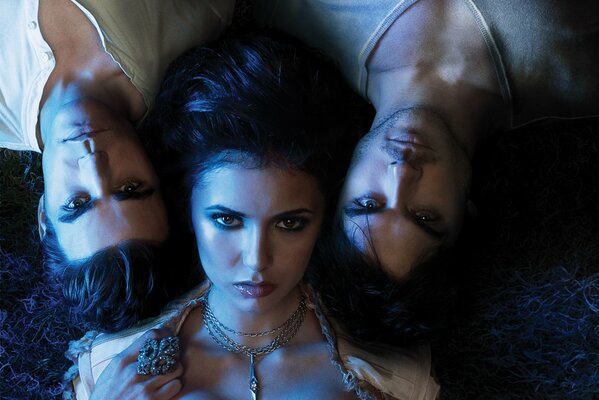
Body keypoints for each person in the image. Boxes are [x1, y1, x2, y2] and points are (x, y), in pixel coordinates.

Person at [64, 35, 440, 400]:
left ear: (323, 217)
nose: (256, 259)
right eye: (227, 221)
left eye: (289, 223)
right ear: (187, 209)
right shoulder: (113, 369)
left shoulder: (393, 374)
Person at [254, 0, 599, 343]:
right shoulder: (579, 74)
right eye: (424, 216)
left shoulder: (296, 13)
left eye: (368, 204)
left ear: (342, 186)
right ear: (465, 215)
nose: (401, 174)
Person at [0, 0, 234, 331]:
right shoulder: (191, 20)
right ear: (155, 171)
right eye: (129, 187)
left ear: (43, 216)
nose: (93, 162)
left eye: (77, 203)